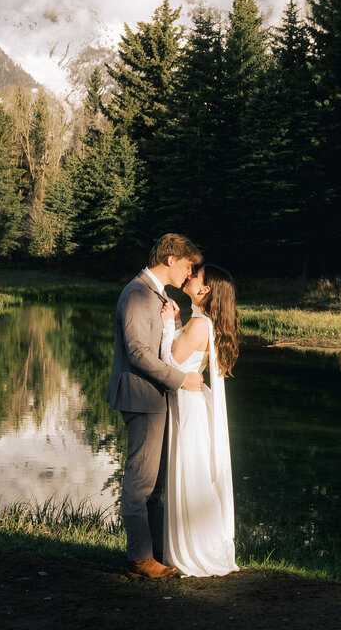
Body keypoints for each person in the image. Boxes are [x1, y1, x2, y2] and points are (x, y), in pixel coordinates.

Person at [106, 233, 205, 580]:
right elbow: (137, 353)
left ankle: (159, 552)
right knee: (140, 482)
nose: (190, 273)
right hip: (141, 397)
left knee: (155, 484)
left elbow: (160, 348)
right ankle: (139, 559)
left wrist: (173, 323)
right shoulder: (136, 293)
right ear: (170, 259)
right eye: (188, 265)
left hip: (154, 397)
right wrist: (180, 380)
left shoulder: (157, 295)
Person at [159, 262, 240, 576]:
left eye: (196, 276)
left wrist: (168, 324)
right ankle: (193, 546)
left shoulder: (200, 325)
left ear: (205, 290)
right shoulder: (200, 322)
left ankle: (196, 550)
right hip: (192, 400)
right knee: (194, 471)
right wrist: (178, 321)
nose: (190, 275)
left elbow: (169, 361)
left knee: (191, 473)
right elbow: (184, 356)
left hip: (188, 405)